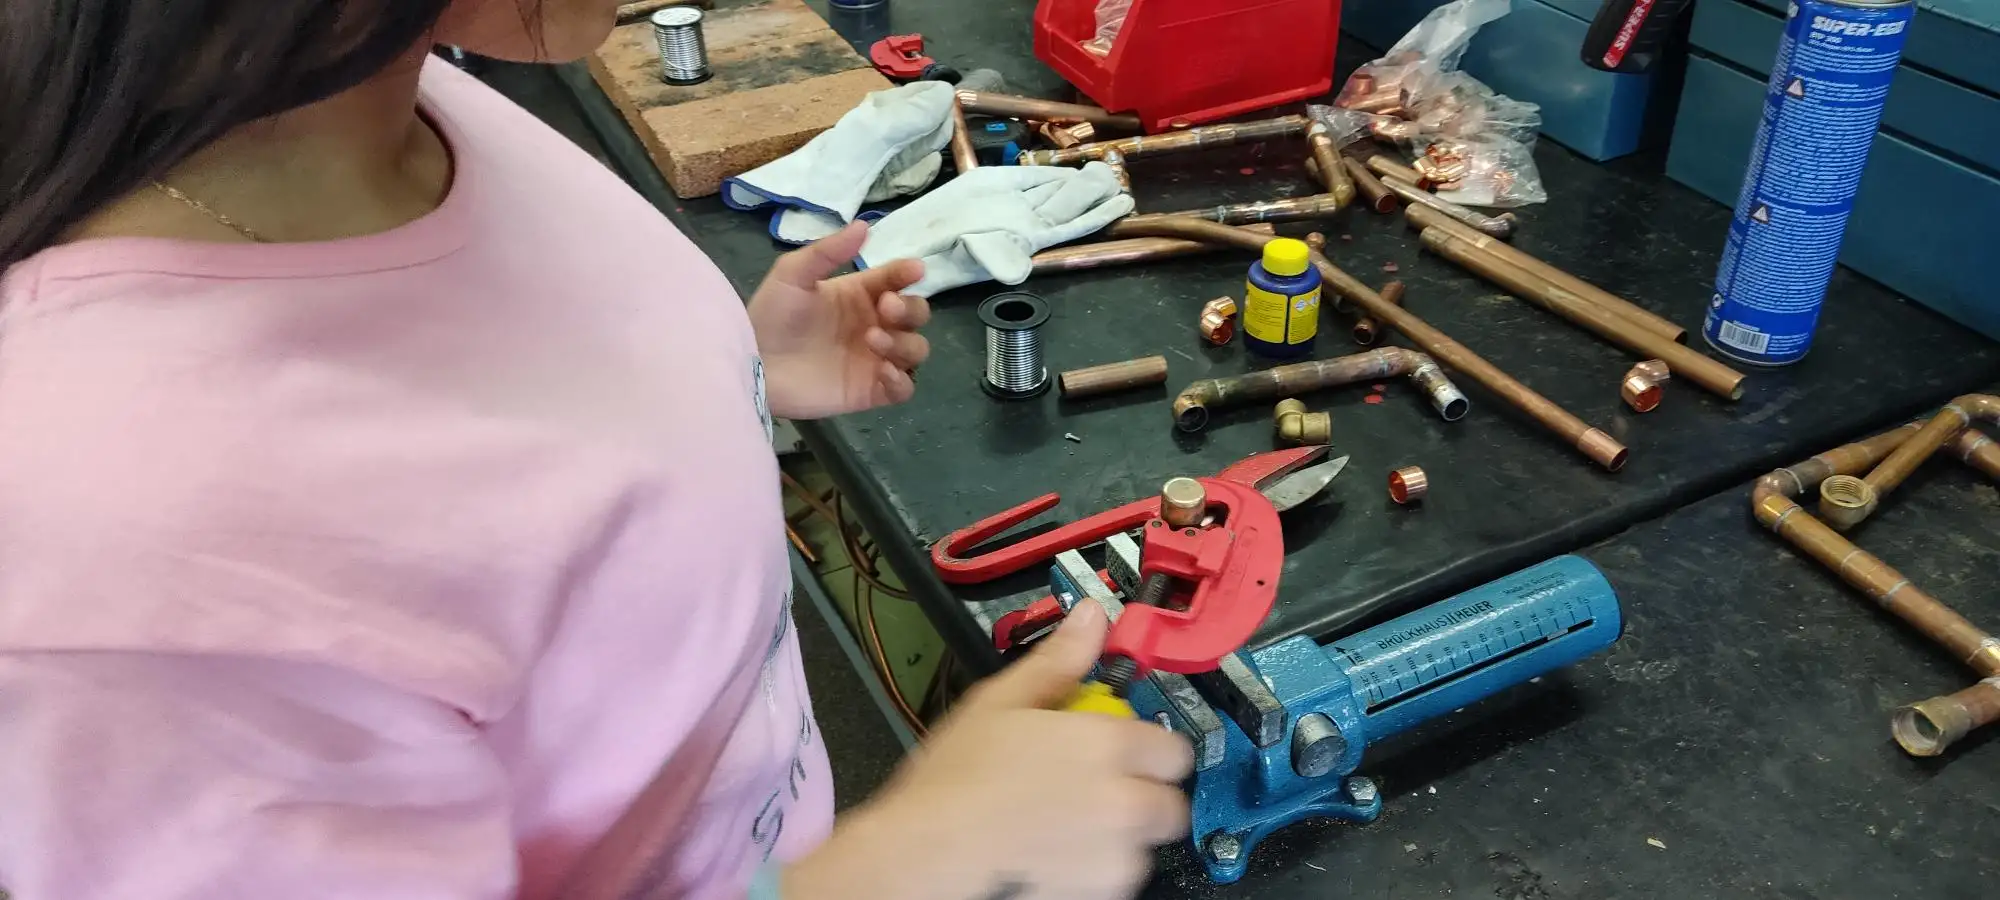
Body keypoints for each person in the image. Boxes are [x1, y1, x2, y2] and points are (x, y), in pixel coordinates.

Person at [0, 2, 1193, 899]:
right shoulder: (131, 567)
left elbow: (479, 483)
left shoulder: (397, 97)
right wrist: (899, 872)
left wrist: (727, 372)